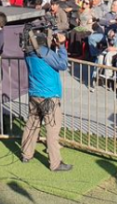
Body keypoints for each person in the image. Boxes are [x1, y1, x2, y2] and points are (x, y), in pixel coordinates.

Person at [20, 29, 72, 172]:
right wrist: (61, 46)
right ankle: (55, 163)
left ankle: (26, 154)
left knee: (32, 124)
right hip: (49, 95)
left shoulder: (28, 53)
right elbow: (62, 64)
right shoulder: (45, 52)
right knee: (53, 129)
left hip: (34, 94)